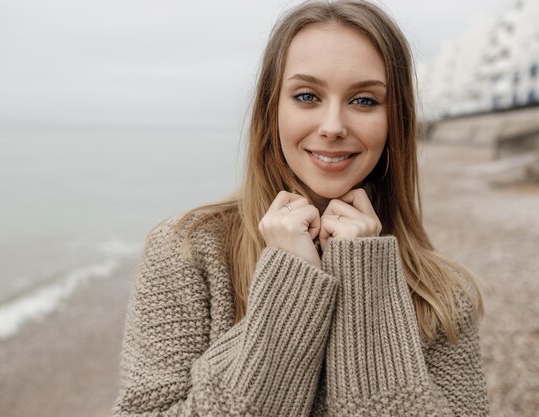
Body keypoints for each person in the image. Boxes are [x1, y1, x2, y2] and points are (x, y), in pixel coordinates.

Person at [112, 0, 490, 416]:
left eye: (364, 100)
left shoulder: (440, 293)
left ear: (394, 119)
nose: (332, 126)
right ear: (272, 109)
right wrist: (289, 288)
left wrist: (366, 285)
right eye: (307, 95)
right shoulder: (187, 252)